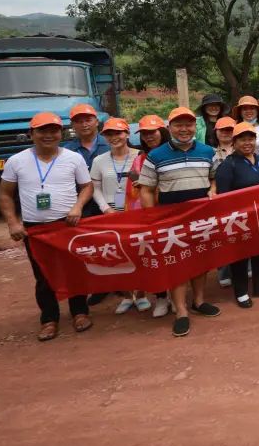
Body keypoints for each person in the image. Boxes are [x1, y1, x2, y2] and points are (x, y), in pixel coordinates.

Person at [0, 112, 94, 342]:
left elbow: (87, 186)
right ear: (31, 134)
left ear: (61, 133)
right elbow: (4, 194)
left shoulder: (73, 158)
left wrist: (78, 207)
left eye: (54, 130)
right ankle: (49, 319)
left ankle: (80, 312)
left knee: (75, 269)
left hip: (68, 225)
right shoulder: (16, 161)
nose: (48, 135)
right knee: (43, 274)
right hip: (36, 230)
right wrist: (13, 222)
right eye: (42, 131)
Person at [137, 107, 219, 337]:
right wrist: (152, 220)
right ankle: (181, 311)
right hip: (170, 220)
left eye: (188, 125)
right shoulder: (156, 155)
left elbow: (214, 178)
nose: (184, 129)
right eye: (178, 125)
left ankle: (199, 301)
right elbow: (146, 189)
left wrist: (213, 189)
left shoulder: (208, 151)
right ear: (169, 128)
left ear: (195, 126)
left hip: (201, 219)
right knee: (177, 264)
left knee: (200, 260)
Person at [215, 122, 259, 308]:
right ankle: (241, 292)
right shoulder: (228, 165)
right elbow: (223, 195)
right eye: (242, 139)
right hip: (239, 218)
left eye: (250, 139)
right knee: (240, 256)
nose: (247, 143)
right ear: (234, 142)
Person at [89, 117, 142, 315]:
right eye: (109, 134)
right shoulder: (99, 161)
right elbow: (94, 187)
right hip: (110, 214)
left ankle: (142, 294)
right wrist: (105, 209)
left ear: (127, 134)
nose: (114, 137)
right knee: (118, 256)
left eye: (118, 133)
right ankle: (127, 296)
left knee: (139, 253)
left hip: (136, 212)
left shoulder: (140, 156)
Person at [125, 114, 169, 316]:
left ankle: (177, 298)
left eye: (153, 132)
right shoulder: (139, 160)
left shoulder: (175, 153)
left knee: (175, 255)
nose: (149, 136)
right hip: (150, 214)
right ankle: (161, 297)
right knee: (156, 256)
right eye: (144, 134)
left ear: (163, 132)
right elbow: (132, 192)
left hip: (173, 211)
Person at [63, 103, 109, 219]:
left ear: (97, 122)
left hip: (109, 204)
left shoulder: (111, 145)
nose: (84, 125)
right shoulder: (66, 151)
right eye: (79, 122)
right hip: (80, 208)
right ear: (72, 125)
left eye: (88, 120)